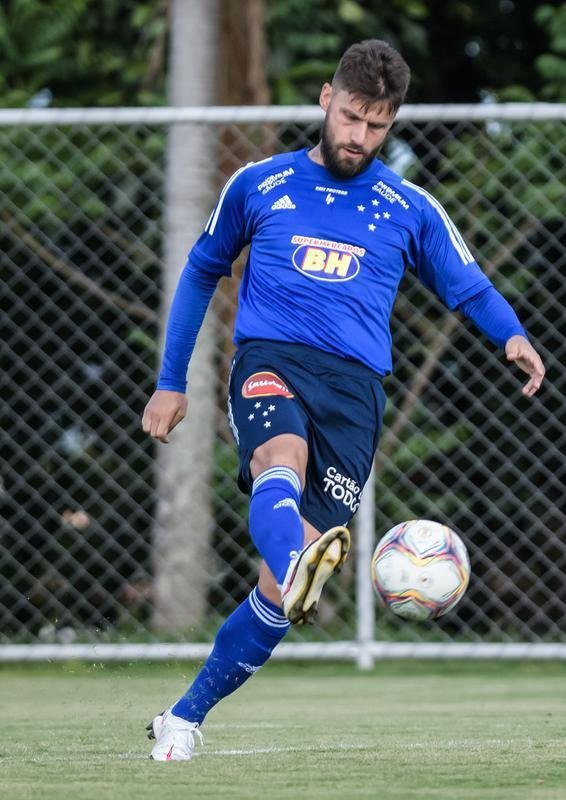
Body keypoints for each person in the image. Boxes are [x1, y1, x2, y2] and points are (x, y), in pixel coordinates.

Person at [141, 39, 545, 761]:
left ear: (392, 124)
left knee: (273, 594)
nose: (360, 137)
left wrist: (510, 334)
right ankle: (300, 561)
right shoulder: (259, 184)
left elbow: (467, 284)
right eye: (353, 116)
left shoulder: (408, 205)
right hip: (271, 361)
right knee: (279, 456)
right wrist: (172, 381)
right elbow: (202, 271)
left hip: (355, 396)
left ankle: (184, 714)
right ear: (328, 99)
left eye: (378, 125)